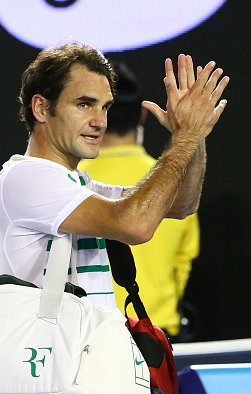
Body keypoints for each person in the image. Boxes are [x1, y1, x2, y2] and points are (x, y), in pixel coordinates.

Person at [0, 43, 228, 311]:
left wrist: (192, 136)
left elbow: (179, 205)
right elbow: (135, 225)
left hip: (82, 349)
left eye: (105, 107)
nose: (100, 121)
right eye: (84, 104)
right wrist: (185, 135)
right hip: (49, 352)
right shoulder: (27, 178)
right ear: (41, 108)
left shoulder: (76, 184)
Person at [78, 63, 200, 339]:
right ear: (143, 114)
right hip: (160, 340)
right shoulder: (176, 181)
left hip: (93, 342)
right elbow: (183, 262)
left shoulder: (69, 180)